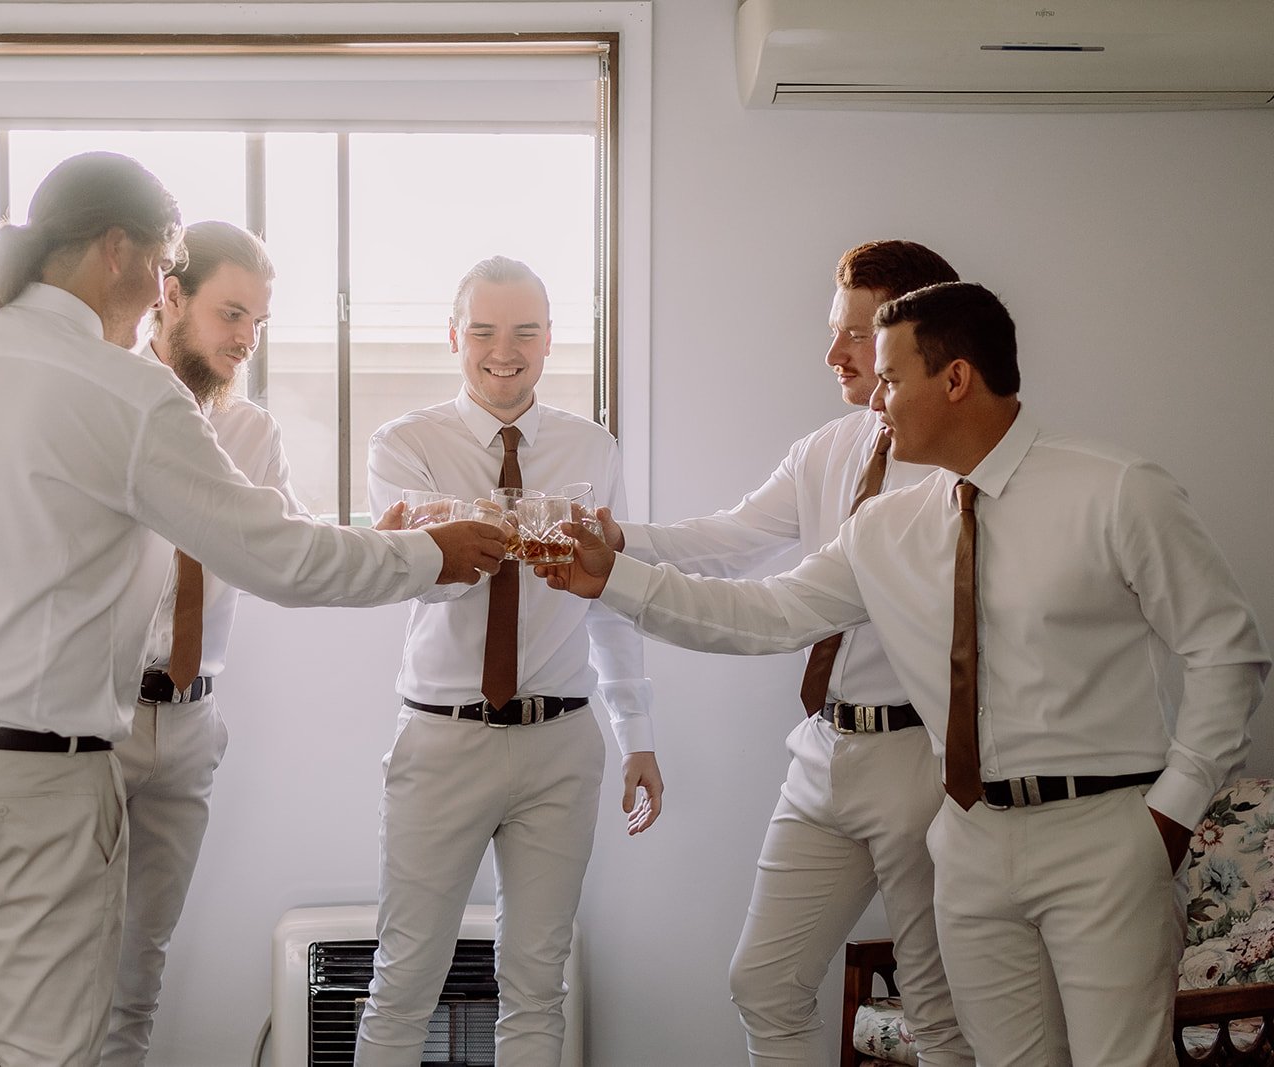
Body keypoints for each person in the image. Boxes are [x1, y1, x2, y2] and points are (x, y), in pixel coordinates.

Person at [0, 152, 506, 1067]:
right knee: (47, 1052)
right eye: (159, 268)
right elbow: (282, 555)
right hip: (34, 778)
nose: (157, 294)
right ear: (120, 252)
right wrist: (432, 552)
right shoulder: (122, 389)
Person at [543, 281, 1269, 1066]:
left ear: (954, 379)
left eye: (888, 379)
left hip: (1106, 832)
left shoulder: (1119, 489)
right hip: (969, 841)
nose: (874, 401)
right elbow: (763, 614)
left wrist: (1170, 813)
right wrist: (614, 576)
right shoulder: (886, 528)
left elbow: (1227, 650)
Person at [594, 240, 971, 1065]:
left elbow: (779, 611)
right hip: (822, 753)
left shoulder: (956, 470)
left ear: (918, 338)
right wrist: (621, 539)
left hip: (922, 760)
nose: (834, 352)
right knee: (763, 981)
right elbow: (729, 541)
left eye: (857, 334)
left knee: (942, 1015)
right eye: (833, 330)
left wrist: (615, 575)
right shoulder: (826, 449)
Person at [354, 255, 664, 1067]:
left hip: (562, 742)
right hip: (442, 738)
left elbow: (613, 595)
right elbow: (426, 580)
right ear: (455, 337)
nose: (504, 350)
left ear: (550, 341)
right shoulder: (403, 444)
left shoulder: (591, 448)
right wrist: (478, 539)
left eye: (525, 331)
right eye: (484, 331)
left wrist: (637, 731)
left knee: (537, 986)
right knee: (404, 981)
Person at [102, 221, 297, 1065]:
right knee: (64, 959)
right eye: (230, 313)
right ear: (169, 295)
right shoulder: (101, 402)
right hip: (92, 717)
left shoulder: (252, 434)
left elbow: (287, 555)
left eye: (257, 321)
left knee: (141, 965)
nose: (245, 338)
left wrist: (387, 544)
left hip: (189, 726)